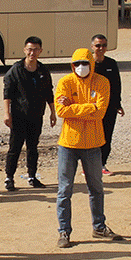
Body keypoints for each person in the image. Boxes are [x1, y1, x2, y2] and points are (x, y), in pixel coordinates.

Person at [54, 47, 121, 249]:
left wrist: (73, 106)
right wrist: (88, 106)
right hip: (69, 143)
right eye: (77, 64)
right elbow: (60, 110)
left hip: (92, 143)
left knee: (96, 188)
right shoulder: (65, 82)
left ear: (92, 65)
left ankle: (99, 226)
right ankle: (64, 231)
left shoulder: (102, 82)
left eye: (85, 63)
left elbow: (100, 111)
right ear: (72, 65)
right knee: (65, 189)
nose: (81, 67)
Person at [2, 37, 56, 191]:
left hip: (37, 115)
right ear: (25, 50)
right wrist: (7, 114)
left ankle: (32, 176)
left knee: (33, 147)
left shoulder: (43, 70)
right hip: (19, 116)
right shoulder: (16, 69)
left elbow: (48, 92)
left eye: (36, 49)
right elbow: (7, 93)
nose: (32, 52)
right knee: (15, 147)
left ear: (40, 51)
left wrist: (53, 112)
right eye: (29, 49)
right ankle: (9, 178)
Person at [91, 34, 124, 175]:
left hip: (109, 107)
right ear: (92, 47)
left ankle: (102, 164)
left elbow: (116, 85)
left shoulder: (111, 63)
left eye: (104, 45)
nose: (101, 48)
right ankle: (89, 166)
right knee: (92, 136)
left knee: (106, 136)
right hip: (91, 107)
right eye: (98, 45)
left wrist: (118, 104)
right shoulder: (86, 64)